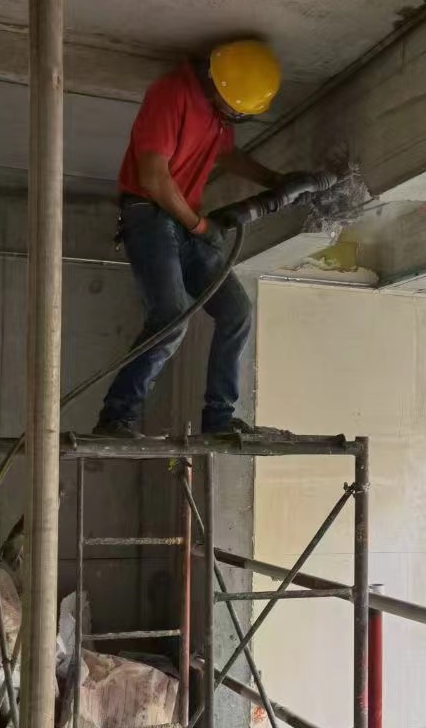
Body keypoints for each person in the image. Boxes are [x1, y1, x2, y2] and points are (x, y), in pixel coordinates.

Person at [94, 39, 288, 438]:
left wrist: (276, 181)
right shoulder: (172, 93)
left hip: (181, 220)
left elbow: (227, 154)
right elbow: (152, 176)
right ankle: (117, 416)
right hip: (148, 214)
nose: (235, 115)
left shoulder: (216, 114)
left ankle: (218, 419)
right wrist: (199, 226)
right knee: (171, 316)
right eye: (236, 108)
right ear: (221, 89)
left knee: (236, 311)